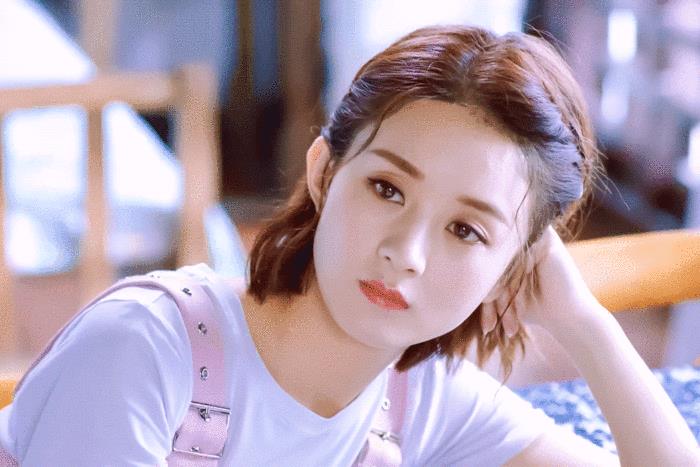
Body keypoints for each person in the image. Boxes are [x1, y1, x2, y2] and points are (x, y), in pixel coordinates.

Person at [1, 24, 698, 466]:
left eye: (466, 230)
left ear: (509, 268)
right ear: (325, 173)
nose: (406, 252)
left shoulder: (419, 397)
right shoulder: (146, 349)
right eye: (387, 189)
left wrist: (584, 324)